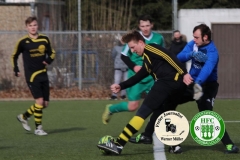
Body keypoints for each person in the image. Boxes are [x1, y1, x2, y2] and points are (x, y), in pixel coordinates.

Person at [129, 24, 239, 154]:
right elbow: (179, 57)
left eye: (197, 37)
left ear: (205, 37)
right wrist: (191, 54)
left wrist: (196, 84)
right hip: (191, 83)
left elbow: (206, 70)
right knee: (166, 103)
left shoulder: (212, 52)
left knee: (206, 115)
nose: (194, 39)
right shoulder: (193, 44)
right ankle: (151, 136)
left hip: (205, 86)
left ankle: (230, 145)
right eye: (193, 37)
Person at [97, 30, 193, 155]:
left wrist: (184, 73)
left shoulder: (151, 48)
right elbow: (139, 76)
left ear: (141, 42)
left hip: (166, 83)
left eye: (133, 47)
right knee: (162, 113)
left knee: (142, 112)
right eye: (130, 48)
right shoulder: (147, 60)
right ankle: (174, 145)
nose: (132, 51)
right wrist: (121, 86)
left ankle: (119, 145)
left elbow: (169, 56)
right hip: (174, 86)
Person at [102, 14, 165, 124]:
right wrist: (134, 66)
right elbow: (123, 56)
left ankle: (155, 129)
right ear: (139, 26)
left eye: (147, 25)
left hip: (151, 77)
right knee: (133, 106)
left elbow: (163, 55)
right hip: (136, 78)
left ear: (152, 25)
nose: (145, 28)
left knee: (159, 103)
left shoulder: (159, 38)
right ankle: (111, 109)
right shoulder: (134, 39)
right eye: (142, 26)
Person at [11, 16, 56, 136]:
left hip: (43, 74)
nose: (33, 27)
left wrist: (48, 60)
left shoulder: (44, 39)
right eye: (30, 26)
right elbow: (14, 55)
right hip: (31, 75)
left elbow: (52, 53)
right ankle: (38, 128)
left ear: (38, 26)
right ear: (27, 27)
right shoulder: (23, 42)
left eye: (34, 25)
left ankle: (23, 116)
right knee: (39, 101)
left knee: (44, 104)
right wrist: (16, 68)